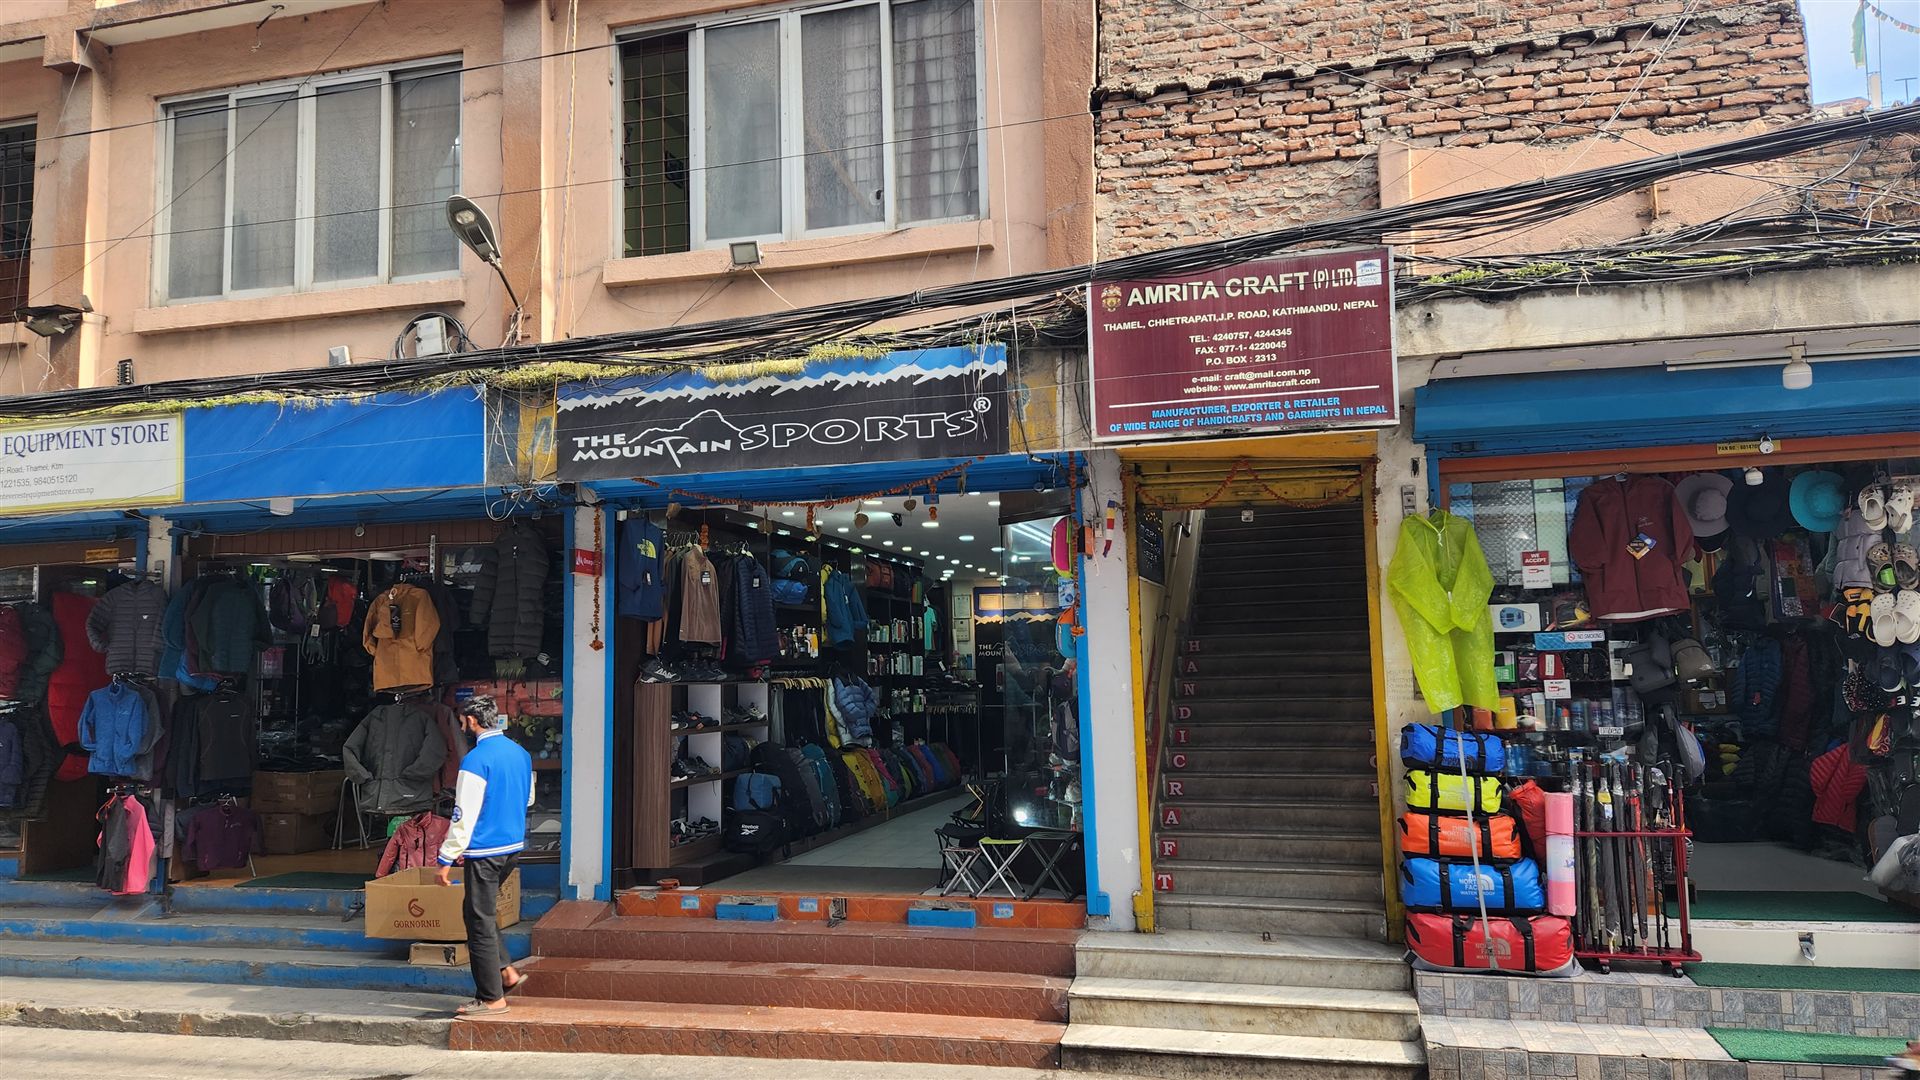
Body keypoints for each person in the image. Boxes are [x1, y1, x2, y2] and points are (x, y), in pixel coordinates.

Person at [435, 696, 534, 1016]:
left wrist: (446, 858)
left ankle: (491, 997)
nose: (462, 726)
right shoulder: (520, 753)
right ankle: (506, 972)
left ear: (472, 721)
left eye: (463, 721)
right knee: (479, 912)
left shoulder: (475, 760)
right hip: (512, 847)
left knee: (478, 921)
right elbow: (529, 799)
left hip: (484, 851)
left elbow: (463, 815)